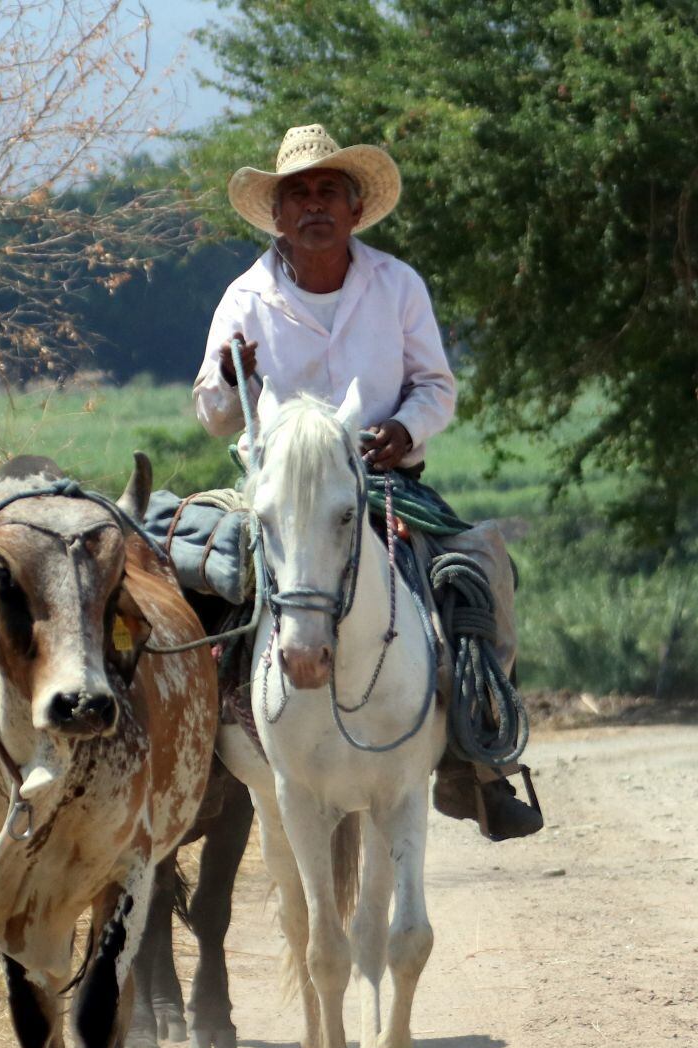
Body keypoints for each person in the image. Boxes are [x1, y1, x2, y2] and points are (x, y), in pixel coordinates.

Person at [192, 123, 543, 841]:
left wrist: (405, 430)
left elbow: (436, 387)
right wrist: (230, 376)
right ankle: (192, 762)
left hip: (384, 485)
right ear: (278, 216)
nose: (314, 206)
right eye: (298, 195)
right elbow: (213, 414)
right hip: (279, 492)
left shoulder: (397, 284)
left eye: (329, 192)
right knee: (196, 589)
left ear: (355, 210)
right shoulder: (244, 298)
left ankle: (475, 754)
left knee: (481, 568)